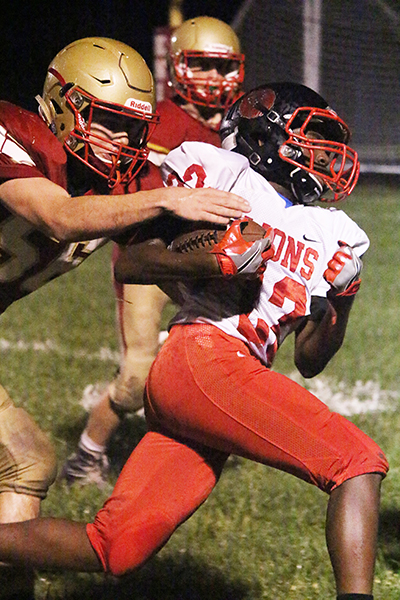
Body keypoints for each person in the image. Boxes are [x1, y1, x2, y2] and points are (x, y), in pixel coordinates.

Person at [0, 83, 388, 600]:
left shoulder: (336, 232)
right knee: (357, 462)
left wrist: (345, 297)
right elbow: (135, 262)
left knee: (113, 547)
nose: (325, 152)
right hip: (204, 356)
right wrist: (213, 262)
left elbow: (311, 359)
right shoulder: (226, 179)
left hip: (228, 373)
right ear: (266, 136)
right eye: (312, 135)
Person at [0, 36, 250, 598]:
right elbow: (59, 216)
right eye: (105, 121)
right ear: (61, 101)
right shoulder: (11, 129)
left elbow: (144, 260)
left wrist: (242, 274)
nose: (119, 142)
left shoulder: (119, 183)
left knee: (27, 461)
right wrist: (165, 201)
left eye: (132, 129)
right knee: (24, 459)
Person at [61, 16, 247, 487]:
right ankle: (87, 455)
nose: (214, 78)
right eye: (203, 64)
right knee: (137, 376)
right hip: (148, 256)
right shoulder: (157, 117)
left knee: (229, 355)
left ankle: (189, 461)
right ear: (180, 67)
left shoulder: (240, 127)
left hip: (203, 258)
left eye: (223, 68)